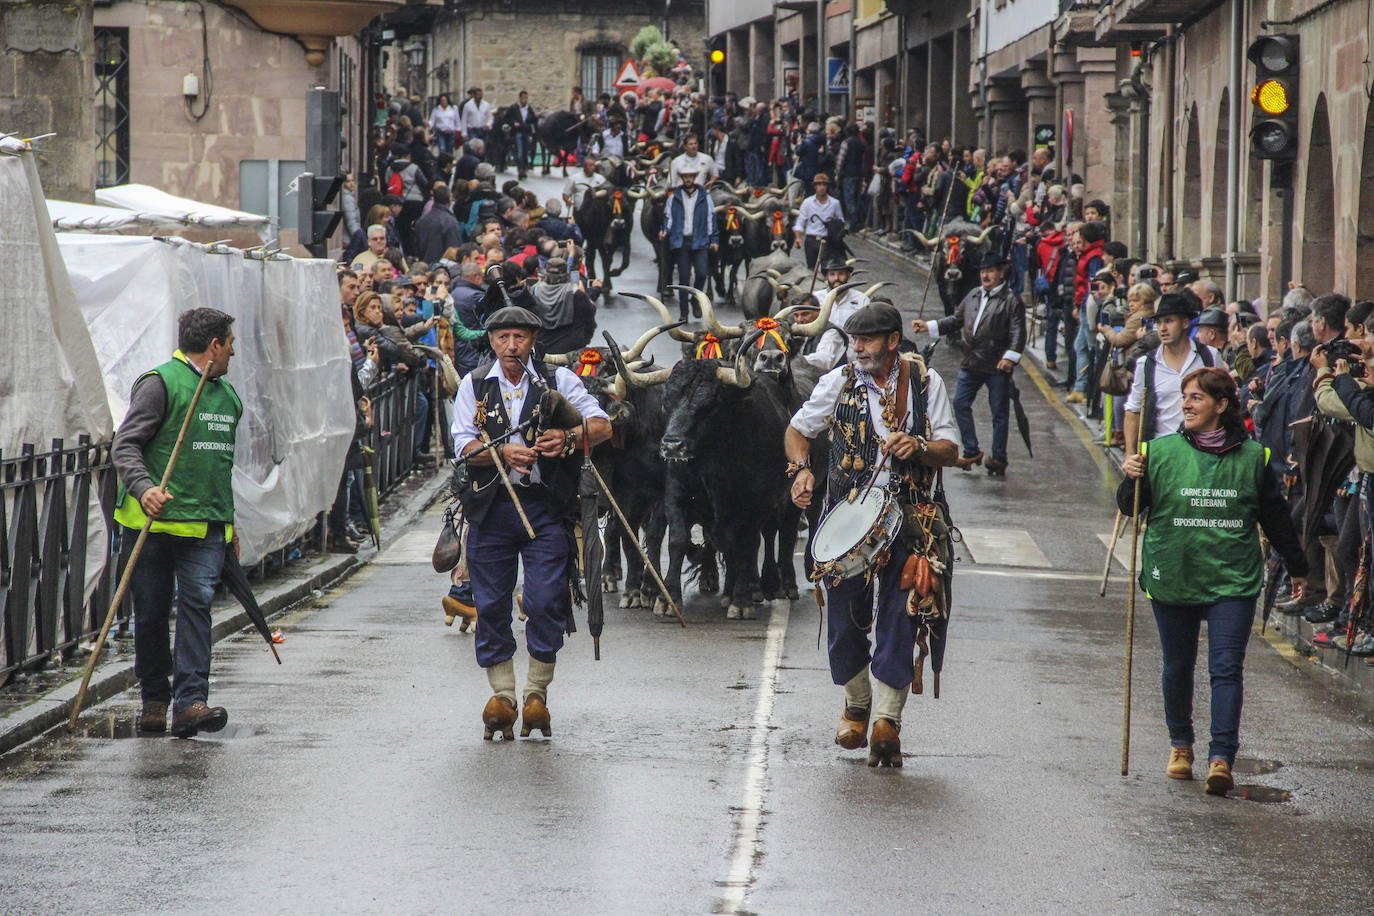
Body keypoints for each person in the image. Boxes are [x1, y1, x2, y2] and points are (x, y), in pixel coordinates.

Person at [785, 303, 960, 767]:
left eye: (867, 340)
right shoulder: (837, 381)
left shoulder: (926, 382)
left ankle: (886, 720)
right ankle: (857, 703)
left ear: (893, 341)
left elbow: (950, 448)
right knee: (842, 623)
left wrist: (920, 446)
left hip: (911, 514)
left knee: (902, 616)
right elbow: (798, 430)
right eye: (853, 340)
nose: (857, 348)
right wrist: (801, 471)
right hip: (847, 515)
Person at [1120, 367, 1308, 794]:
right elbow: (1131, 507)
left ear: (1221, 405)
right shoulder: (1158, 452)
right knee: (1178, 665)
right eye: (1184, 396)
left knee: (1226, 669)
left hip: (1231, 578)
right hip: (1175, 573)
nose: (1185, 404)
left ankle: (1221, 756)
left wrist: (1298, 567)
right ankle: (1181, 746)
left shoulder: (1253, 457)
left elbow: (1274, 517)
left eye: (1196, 398)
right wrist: (1130, 476)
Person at [451, 306, 612, 740]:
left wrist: (570, 437)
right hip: (490, 510)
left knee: (544, 600)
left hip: (545, 508)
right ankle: (502, 697)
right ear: (491, 341)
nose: (511, 346)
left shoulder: (558, 382)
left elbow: (602, 425)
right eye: (503, 337)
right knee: (490, 604)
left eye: (519, 337)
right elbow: (464, 446)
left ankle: (537, 693)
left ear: (533, 340)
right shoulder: (473, 384)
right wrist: (501, 453)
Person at [112, 308, 242, 738]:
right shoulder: (160, 383)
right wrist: (144, 487)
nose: (233, 351)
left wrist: (230, 525)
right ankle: (154, 698)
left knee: (196, 610)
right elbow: (126, 445)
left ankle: (190, 703)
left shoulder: (227, 397)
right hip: (152, 525)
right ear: (214, 346)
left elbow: (220, 467)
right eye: (230, 343)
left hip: (205, 528)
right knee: (150, 615)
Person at [912, 250, 1026, 476]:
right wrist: (928, 326)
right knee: (960, 404)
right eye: (983, 271)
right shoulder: (973, 295)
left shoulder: (1011, 300)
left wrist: (1009, 357)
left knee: (999, 413)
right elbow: (955, 320)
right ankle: (972, 449)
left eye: (990, 271)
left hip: (997, 365)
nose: (985, 275)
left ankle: (999, 458)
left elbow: (1018, 332)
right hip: (971, 362)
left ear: (1001, 274)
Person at [1123, 292, 1219, 456]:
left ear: (1185, 323)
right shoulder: (1146, 364)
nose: (1162, 328)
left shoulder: (1210, 357)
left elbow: (1227, 401)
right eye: (1159, 322)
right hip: (1161, 453)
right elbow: (1133, 411)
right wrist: (1130, 455)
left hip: (1203, 453)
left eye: (1169, 321)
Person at [659, 166, 718, 320]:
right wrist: (664, 230)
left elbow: (711, 219)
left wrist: (714, 239)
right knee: (684, 278)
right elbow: (668, 217)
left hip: (700, 240)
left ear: (695, 177)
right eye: (685, 176)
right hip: (681, 241)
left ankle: (695, 300)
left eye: (691, 176)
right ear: (681, 178)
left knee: (701, 273)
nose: (688, 179)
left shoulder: (706, 197)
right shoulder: (674, 198)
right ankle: (683, 313)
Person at [527, 255, 600, 353]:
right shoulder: (576, 294)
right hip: (571, 350)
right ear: (566, 274)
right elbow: (590, 319)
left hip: (541, 348)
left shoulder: (533, 291)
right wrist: (585, 339)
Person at [792, 174, 843, 269]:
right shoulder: (807, 202)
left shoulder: (835, 203)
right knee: (811, 270)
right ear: (815, 186)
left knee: (827, 269)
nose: (821, 187)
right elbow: (800, 222)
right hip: (811, 240)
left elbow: (840, 222)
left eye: (824, 184)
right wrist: (798, 238)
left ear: (827, 187)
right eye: (819, 184)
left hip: (828, 242)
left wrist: (835, 231)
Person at [412, 185, 463, 265]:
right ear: (449, 199)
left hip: (425, 266)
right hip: (443, 269)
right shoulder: (450, 221)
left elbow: (416, 247)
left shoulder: (421, 221)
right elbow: (454, 249)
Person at [503, 90, 538, 178]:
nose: (525, 100)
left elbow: (533, 120)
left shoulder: (529, 108)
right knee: (519, 152)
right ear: (520, 98)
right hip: (518, 132)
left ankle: (524, 168)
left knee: (526, 151)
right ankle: (520, 169)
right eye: (523, 98)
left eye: (526, 98)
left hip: (526, 131)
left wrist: (535, 117)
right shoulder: (514, 107)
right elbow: (507, 118)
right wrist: (513, 123)